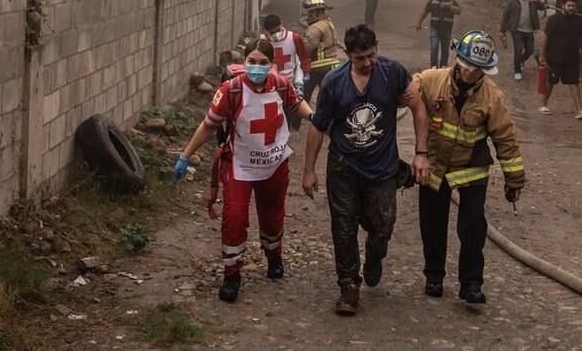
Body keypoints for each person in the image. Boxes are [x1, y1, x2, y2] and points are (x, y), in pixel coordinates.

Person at [302, 24, 429, 316]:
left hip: (382, 169)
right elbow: (318, 128)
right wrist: (309, 171)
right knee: (343, 228)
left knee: (382, 225)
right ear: (348, 55)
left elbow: (418, 107)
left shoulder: (392, 73)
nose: (368, 62)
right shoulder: (334, 82)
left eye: (372, 55)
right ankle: (348, 285)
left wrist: (421, 153)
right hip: (343, 168)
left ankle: (374, 254)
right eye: (361, 58)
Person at [176, 38, 313, 303]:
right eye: (252, 62)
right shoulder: (232, 90)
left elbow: (297, 105)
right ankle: (231, 274)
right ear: (244, 62)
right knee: (235, 216)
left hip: (274, 164)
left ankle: (274, 256)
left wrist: (314, 116)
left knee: (273, 216)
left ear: (272, 65)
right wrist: (186, 155)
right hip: (240, 165)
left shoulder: (282, 85)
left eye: (263, 63)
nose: (257, 68)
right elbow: (208, 125)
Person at [412, 30, 525, 304]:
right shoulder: (430, 81)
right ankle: (434, 276)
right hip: (435, 167)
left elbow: (505, 138)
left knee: (473, 228)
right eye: (468, 68)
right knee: (432, 224)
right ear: (458, 60)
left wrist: (514, 180)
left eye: (478, 71)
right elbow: (406, 93)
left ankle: (472, 283)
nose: (471, 74)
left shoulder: (492, 97)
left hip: (472, 169)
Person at [538, 0, 582, 120]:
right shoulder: (554, 20)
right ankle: (543, 105)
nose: (572, 8)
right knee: (551, 82)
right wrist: (542, 55)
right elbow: (545, 38)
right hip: (554, 57)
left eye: (573, 6)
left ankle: (579, 110)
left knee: (574, 83)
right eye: (569, 5)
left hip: (572, 58)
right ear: (563, 6)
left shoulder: (578, 20)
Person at [263, 14, 310, 129]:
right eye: (272, 32)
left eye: (277, 30)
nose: (275, 35)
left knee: (287, 113)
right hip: (270, 84)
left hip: (289, 83)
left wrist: (306, 72)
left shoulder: (294, 38)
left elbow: (303, 56)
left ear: (281, 24)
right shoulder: (263, 41)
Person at [500, 0, 544, 81]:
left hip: (529, 30)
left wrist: (537, 1)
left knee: (530, 50)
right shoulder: (513, 0)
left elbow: (543, 7)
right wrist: (502, 31)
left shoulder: (532, 0)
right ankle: (517, 71)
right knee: (518, 49)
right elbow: (505, 15)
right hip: (517, 30)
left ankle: (521, 60)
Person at [302, 0, 341, 106]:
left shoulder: (315, 28)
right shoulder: (328, 23)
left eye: (311, 13)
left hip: (318, 67)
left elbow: (306, 49)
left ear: (319, 12)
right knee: (328, 98)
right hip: (332, 65)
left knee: (303, 97)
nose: (308, 16)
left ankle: (295, 122)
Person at [416, 0, 461, 68]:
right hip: (435, 28)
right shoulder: (433, 1)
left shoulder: (452, 1)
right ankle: (434, 66)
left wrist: (449, 6)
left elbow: (458, 11)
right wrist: (419, 23)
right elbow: (425, 12)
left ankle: (443, 66)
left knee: (445, 49)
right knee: (434, 46)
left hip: (447, 29)